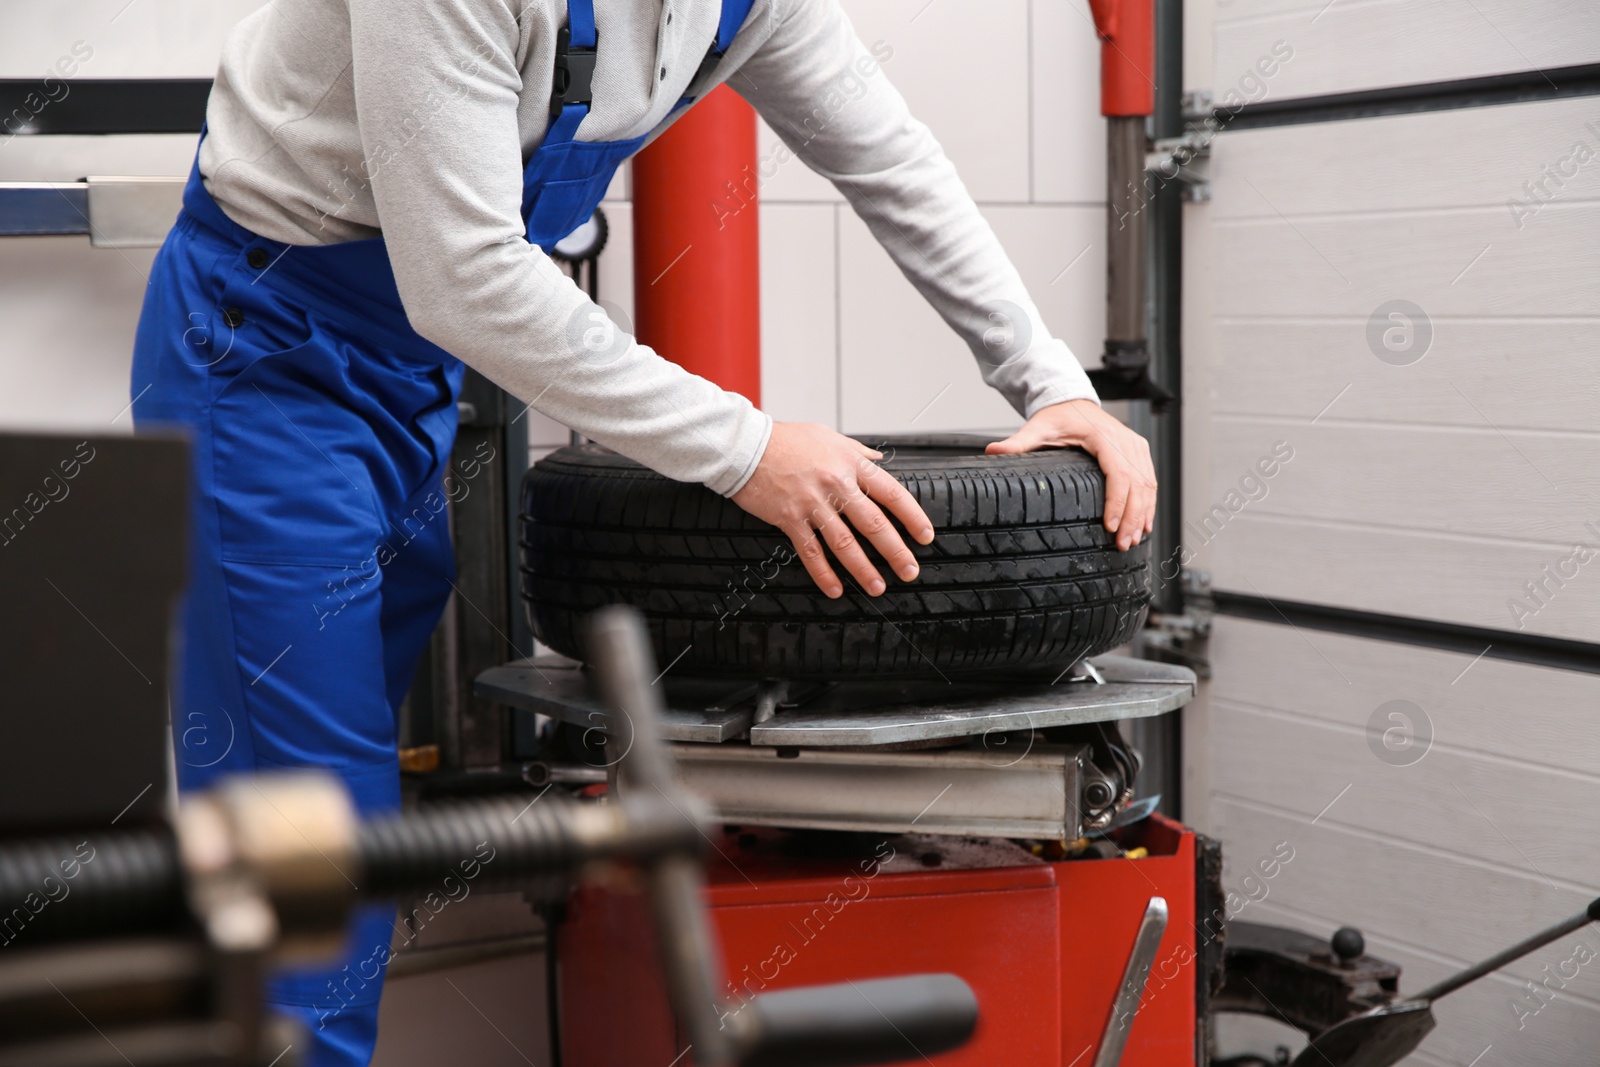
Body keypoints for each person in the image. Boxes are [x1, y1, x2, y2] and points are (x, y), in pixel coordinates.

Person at [131, 0, 1157, 1063]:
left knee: (340, 796)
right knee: (300, 810)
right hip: (265, 355)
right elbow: (464, 276)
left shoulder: (749, 5)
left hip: (410, 369)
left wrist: (1053, 383)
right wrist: (748, 449)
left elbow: (891, 160)